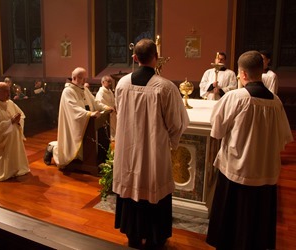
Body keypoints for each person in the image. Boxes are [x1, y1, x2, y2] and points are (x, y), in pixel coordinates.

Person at [206, 50, 293, 250]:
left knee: (232, 224)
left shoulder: (235, 97)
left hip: (237, 171)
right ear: (260, 71)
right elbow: (283, 139)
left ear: (242, 74)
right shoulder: (276, 102)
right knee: (257, 225)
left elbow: (217, 131)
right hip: (265, 173)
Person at [113, 38, 190, 249]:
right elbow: (177, 123)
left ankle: (133, 236)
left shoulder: (121, 84)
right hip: (153, 154)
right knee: (154, 190)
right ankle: (156, 238)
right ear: (156, 58)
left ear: (135, 58)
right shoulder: (166, 87)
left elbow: (120, 113)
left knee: (131, 190)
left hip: (128, 152)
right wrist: (171, 142)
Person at [44, 67, 114, 167]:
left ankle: (90, 159)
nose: (85, 81)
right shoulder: (68, 91)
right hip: (75, 122)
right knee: (70, 148)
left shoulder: (84, 89)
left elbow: (94, 102)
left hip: (87, 121)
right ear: (74, 77)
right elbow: (74, 109)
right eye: (82, 78)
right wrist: (89, 114)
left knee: (79, 146)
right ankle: (51, 148)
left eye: (85, 78)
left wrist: (106, 107)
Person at [95, 75, 117, 141]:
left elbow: (113, 101)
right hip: (106, 115)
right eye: (108, 81)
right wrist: (107, 108)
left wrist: (115, 106)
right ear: (103, 82)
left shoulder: (109, 91)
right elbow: (98, 104)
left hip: (112, 114)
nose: (110, 83)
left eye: (111, 82)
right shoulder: (100, 93)